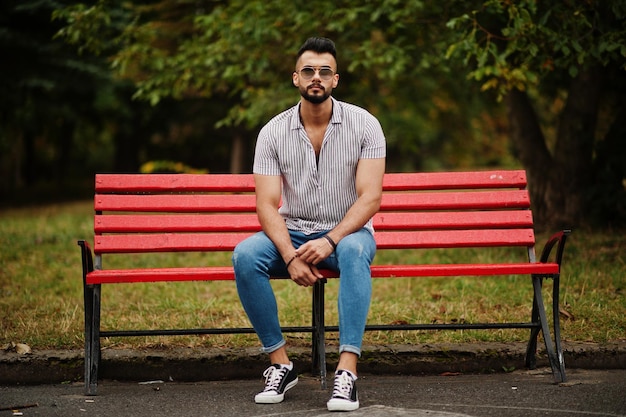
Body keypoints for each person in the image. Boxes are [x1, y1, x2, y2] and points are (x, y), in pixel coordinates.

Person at [232, 37, 386, 412]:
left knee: (352, 251)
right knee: (245, 254)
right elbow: (267, 204)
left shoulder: (365, 125)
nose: (316, 77)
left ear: (336, 80)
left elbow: (370, 198)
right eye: (308, 71)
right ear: (295, 79)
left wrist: (331, 240)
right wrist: (289, 255)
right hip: (295, 231)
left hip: (348, 233)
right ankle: (280, 363)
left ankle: (346, 372)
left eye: (324, 71)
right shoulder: (272, 132)